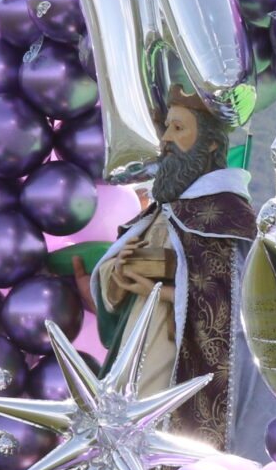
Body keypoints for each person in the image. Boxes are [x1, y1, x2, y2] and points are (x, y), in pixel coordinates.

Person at [93, 89, 256, 450]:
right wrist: (119, 275)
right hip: (133, 343)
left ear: (210, 145)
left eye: (178, 128)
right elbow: (113, 284)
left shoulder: (227, 216)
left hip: (178, 356)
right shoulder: (161, 210)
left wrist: (161, 292)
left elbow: (234, 301)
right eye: (167, 127)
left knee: (149, 438)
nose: (165, 139)